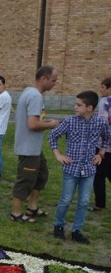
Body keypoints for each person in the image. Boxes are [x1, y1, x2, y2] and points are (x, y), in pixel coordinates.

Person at [49, 90, 110, 244]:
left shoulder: (101, 122)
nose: (75, 107)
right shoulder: (70, 121)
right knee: (66, 199)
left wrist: (101, 153)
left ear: (89, 108)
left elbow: (107, 137)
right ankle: (59, 225)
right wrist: (58, 155)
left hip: (89, 169)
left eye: (78, 105)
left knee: (83, 201)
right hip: (71, 168)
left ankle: (77, 230)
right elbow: (53, 135)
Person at [10, 65, 60, 222]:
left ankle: (32, 207)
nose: (55, 83)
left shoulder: (30, 92)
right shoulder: (35, 96)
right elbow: (32, 124)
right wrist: (51, 124)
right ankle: (16, 213)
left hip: (34, 148)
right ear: (43, 79)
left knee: (41, 175)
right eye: (53, 80)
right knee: (25, 180)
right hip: (28, 148)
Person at [91, 77, 111, 211]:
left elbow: (103, 124)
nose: (101, 90)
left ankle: (100, 203)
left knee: (99, 175)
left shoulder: (105, 102)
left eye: (103, 88)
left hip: (105, 145)